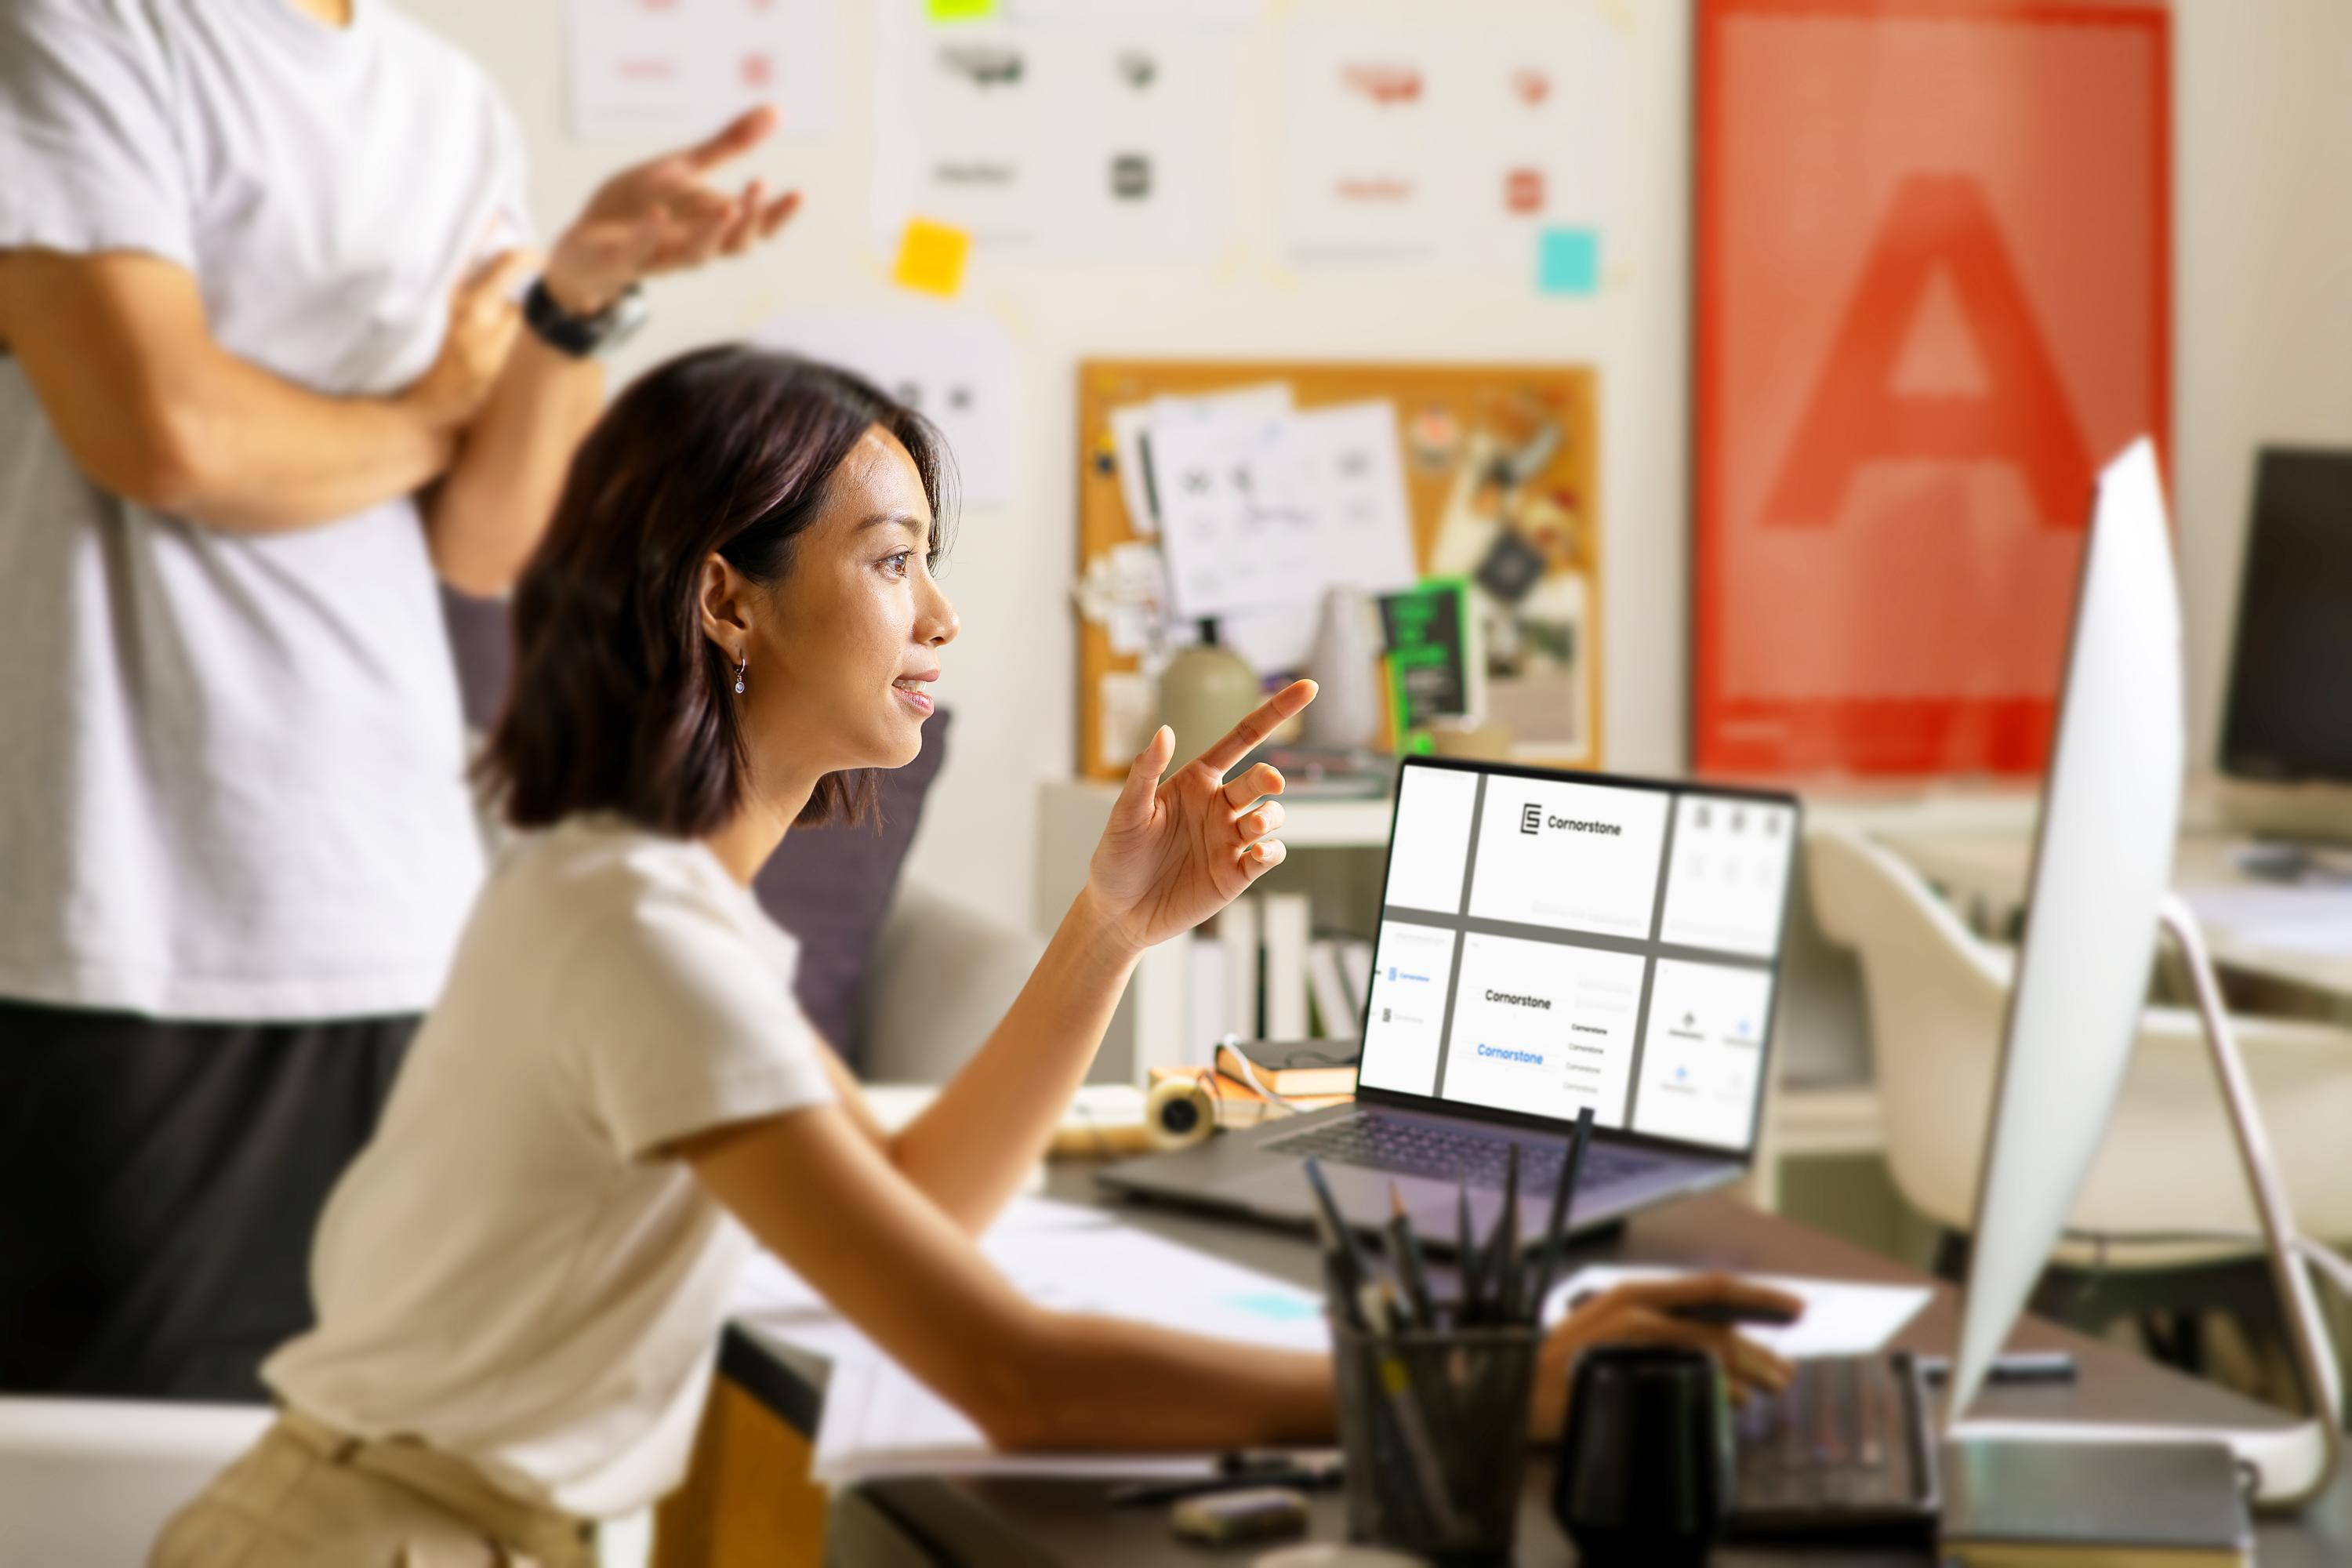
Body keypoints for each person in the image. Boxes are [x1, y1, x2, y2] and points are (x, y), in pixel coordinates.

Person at [150, 347, 1802, 1565]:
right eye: (890, 560)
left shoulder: (650, 907)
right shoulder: (635, 932)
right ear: (729, 604)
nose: (941, 616)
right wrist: (1495, 1382)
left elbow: (918, 1210)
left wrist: (1114, 929)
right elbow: (1015, 1374)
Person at [0, 0, 800, 1401]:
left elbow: (486, 534)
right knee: (128, 1482)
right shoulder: (84, 28)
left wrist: (577, 295)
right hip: (130, 919)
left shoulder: (447, 100)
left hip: (397, 912)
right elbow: (162, 434)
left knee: (377, 1460)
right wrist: (433, 412)